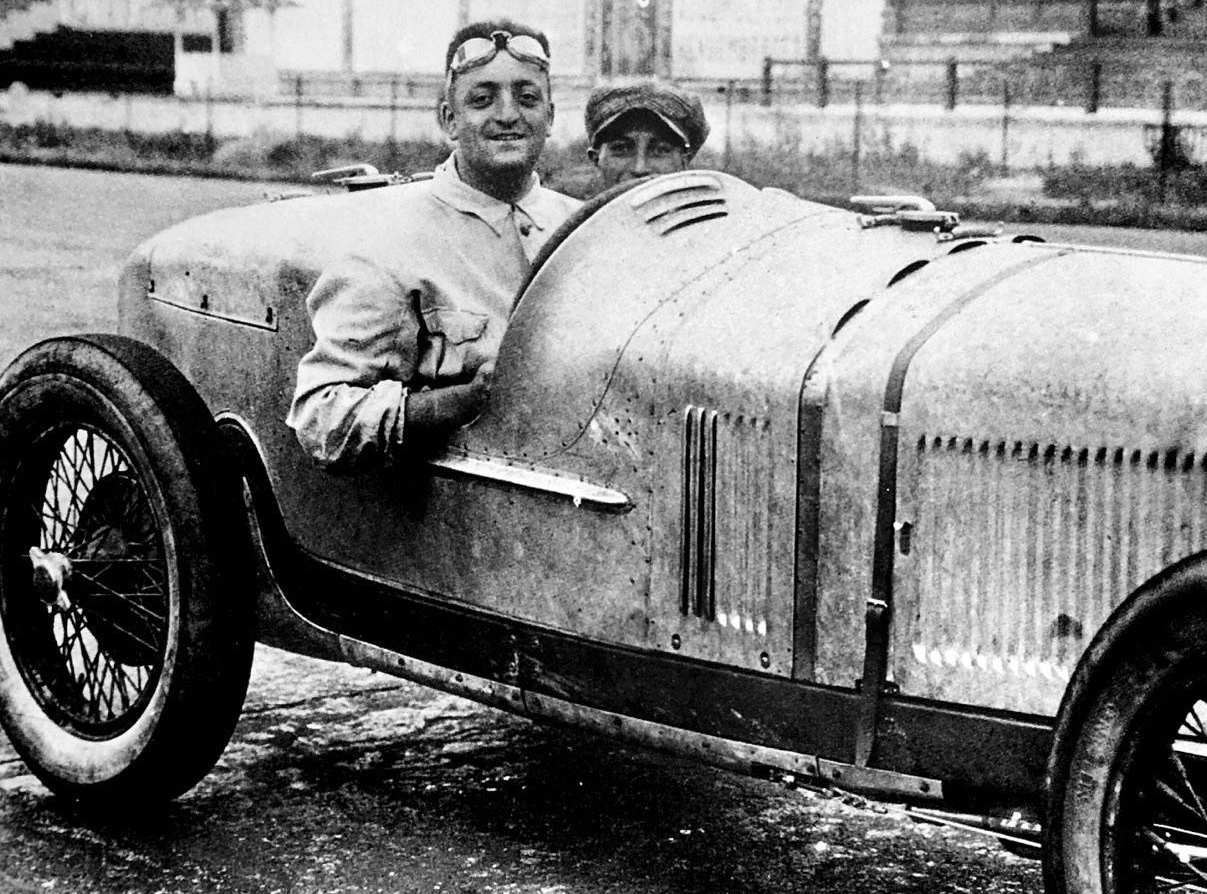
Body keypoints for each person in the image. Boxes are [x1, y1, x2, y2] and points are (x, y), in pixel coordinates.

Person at [287, 20, 579, 468]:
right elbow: (320, 416)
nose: (507, 115)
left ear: (551, 117)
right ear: (449, 120)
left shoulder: (584, 227)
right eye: (481, 100)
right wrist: (461, 402)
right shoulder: (389, 244)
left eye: (527, 98)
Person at [584, 80, 710, 188]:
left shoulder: (714, 215)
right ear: (596, 159)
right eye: (621, 148)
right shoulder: (576, 216)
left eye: (661, 150)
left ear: (684, 161)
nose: (640, 169)